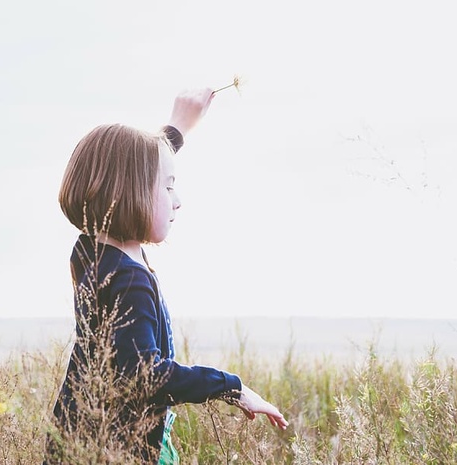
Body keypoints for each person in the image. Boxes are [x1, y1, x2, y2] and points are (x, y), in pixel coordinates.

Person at [46, 88, 288, 464]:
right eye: (169, 186)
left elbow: (126, 168)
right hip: (115, 451)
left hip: (82, 440)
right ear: (131, 192)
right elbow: (148, 377)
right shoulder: (129, 282)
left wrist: (176, 131)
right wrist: (232, 388)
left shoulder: (92, 252)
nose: (178, 200)